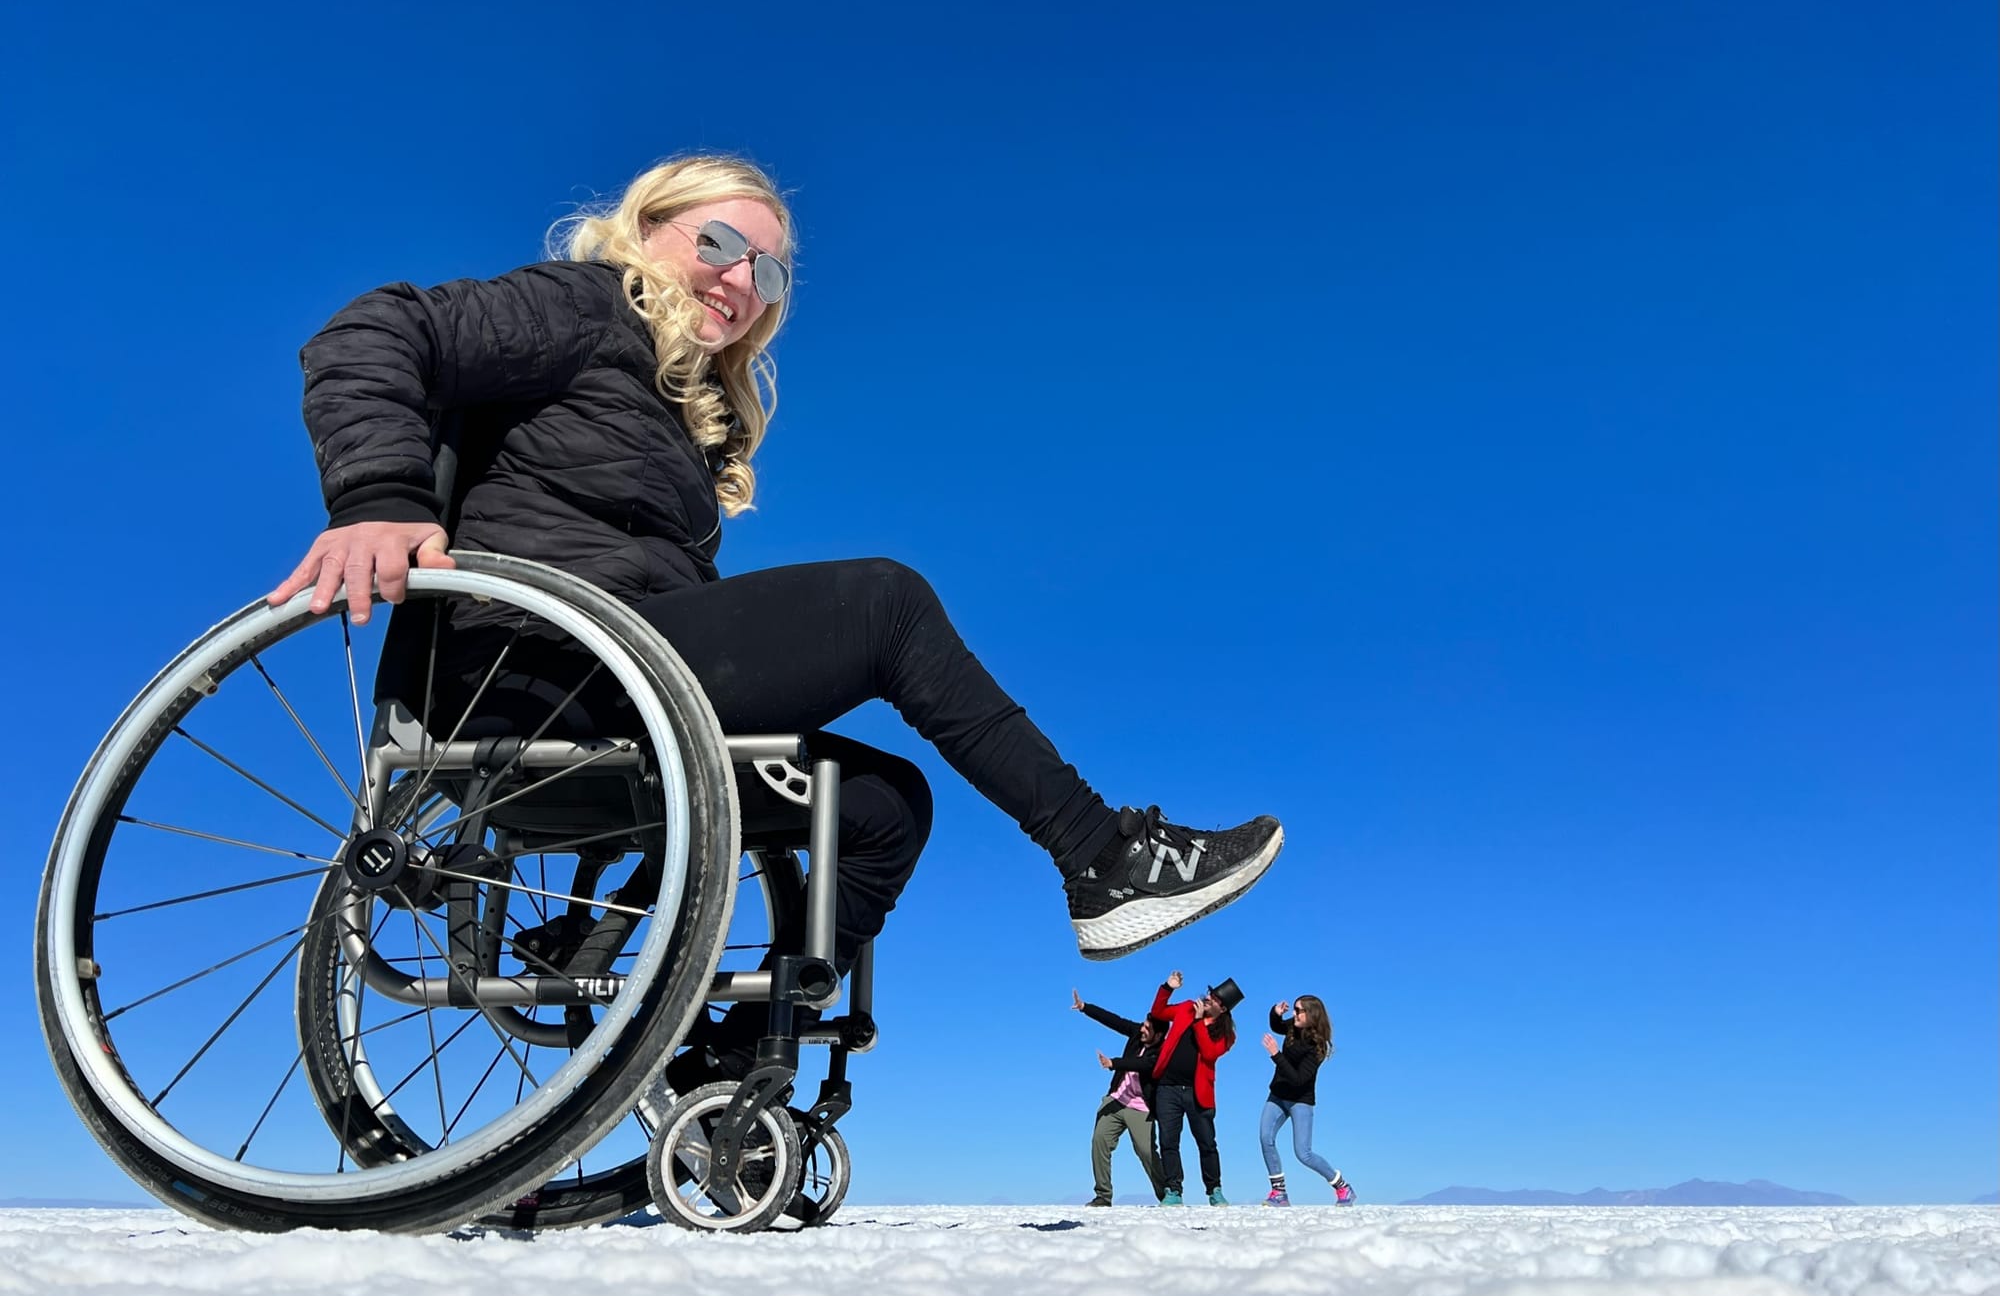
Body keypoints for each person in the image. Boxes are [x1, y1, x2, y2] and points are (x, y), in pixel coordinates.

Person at [266, 154, 1284, 984]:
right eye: (719, 243)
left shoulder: (682, 417)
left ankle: (734, 1065)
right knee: (886, 601)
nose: (741, 281)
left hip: (628, 697)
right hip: (537, 677)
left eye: (771, 271)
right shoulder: (585, 306)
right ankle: (1104, 856)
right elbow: (369, 331)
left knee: (883, 809)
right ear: (647, 229)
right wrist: (380, 496)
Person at [1146, 969, 1239, 1206]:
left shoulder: (1227, 1035)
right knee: (1169, 1141)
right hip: (1168, 1087)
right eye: (1211, 993)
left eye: (1216, 998)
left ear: (1224, 1008)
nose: (1209, 998)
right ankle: (1173, 1190)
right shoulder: (1187, 1007)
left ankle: (1214, 1190)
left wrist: (1198, 1022)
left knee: (1206, 1142)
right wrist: (1168, 988)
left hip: (1198, 1093)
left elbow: (1209, 1053)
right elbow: (1157, 1012)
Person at [1072, 988, 1165, 1207]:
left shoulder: (1161, 1052)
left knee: (1145, 1151)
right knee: (1099, 1141)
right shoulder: (1136, 1033)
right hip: (1117, 1098)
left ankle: (1167, 1195)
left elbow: (1143, 1065)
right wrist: (1086, 1008)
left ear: (1158, 1035)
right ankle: (1103, 1195)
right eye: (1143, 1025)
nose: (1142, 1029)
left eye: (1147, 1028)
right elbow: (1114, 1020)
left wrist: (1114, 1063)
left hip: (1141, 1108)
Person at [1258, 994, 1353, 1206]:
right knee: (1266, 1137)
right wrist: (1275, 1013)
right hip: (1278, 1095)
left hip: (1301, 1100)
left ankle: (1342, 1187)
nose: (1294, 1014)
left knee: (1303, 1153)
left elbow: (1299, 1079)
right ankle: (1279, 1193)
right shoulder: (1294, 1027)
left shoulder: (1317, 1046)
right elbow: (1277, 1026)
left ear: (1311, 1014)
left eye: (1298, 1010)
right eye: (1293, 1009)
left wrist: (1275, 1054)